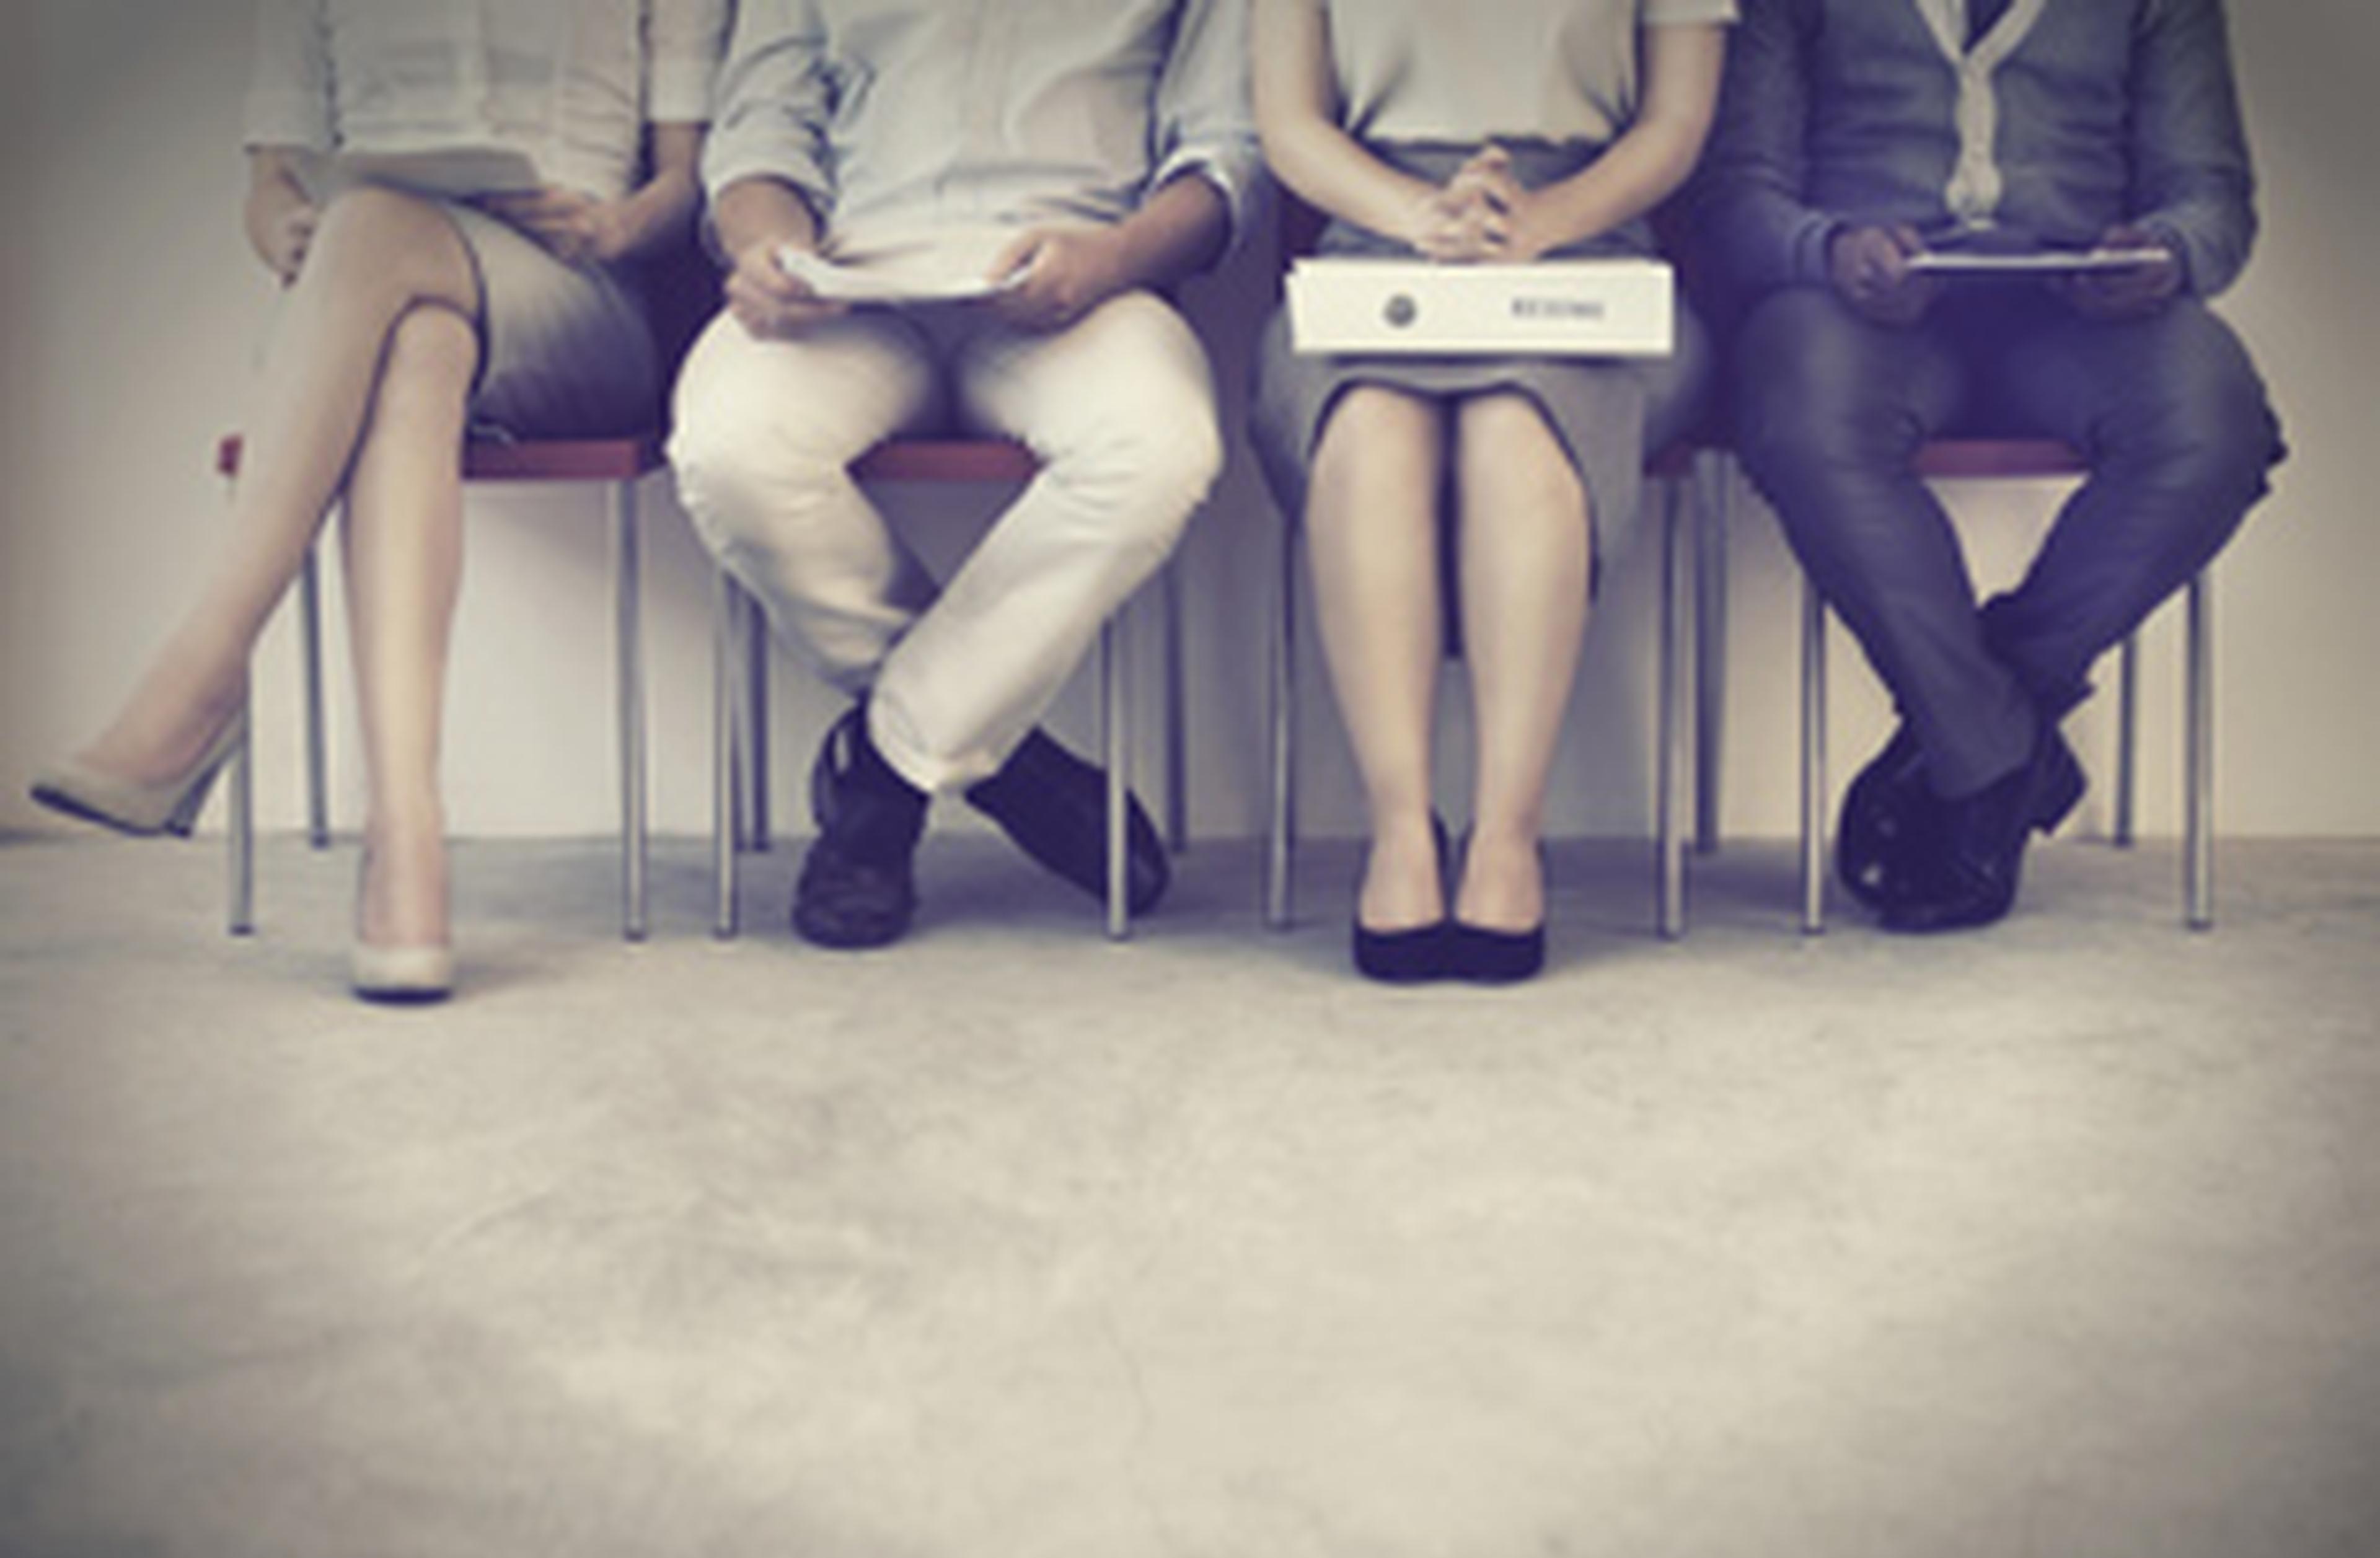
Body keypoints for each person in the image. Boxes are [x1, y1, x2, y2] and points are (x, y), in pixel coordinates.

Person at [30, 0, 729, 1001]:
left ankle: (204, 676)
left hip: (580, 306)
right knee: (417, 344)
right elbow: (269, 184)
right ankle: (405, 849)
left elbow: (685, 180)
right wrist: (288, 231)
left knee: (376, 231)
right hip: (373, 301)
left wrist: (611, 221)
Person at [668, 0, 1258, 951]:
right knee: (729, 444)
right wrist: (767, 249)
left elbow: (1225, 158)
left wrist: (1110, 257)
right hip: (849, 283)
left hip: (1077, 280)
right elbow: (761, 128)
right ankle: (998, 760)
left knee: (1160, 440)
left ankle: (882, 783)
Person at [1695, 0, 2284, 931]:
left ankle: (1977, 733)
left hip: (2081, 320)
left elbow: (2214, 197)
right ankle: (1998, 752)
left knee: (2215, 426)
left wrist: (2166, 254)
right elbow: (1730, 195)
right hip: (1859, 313)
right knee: (1801, 407)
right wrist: (1827, 249)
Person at [1248, 0, 1734, 983]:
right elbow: (1291, 126)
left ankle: (1509, 834)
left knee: (1517, 429)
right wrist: (1422, 216)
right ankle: (1401, 833)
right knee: (1369, 430)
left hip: (1590, 248)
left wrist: (1544, 219)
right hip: (1375, 242)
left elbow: (1677, 126)